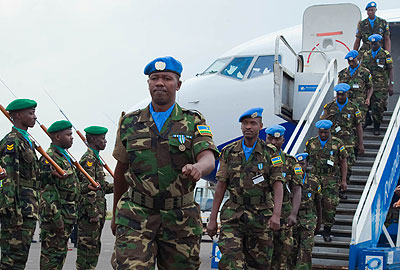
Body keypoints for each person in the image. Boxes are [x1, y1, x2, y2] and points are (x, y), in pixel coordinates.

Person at [111, 56, 219, 270]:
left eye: (167, 78)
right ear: (149, 83)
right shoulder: (129, 122)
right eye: (154, 78)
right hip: (136, 214)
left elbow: (208, 157)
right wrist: (115, 214)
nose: (160, 82)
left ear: (178, 84)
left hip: (179, 219)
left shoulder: (193, 121)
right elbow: (121, 169)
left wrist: (198, 168)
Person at [207, 108, 284, 269]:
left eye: (253, 123)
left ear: (260, 126)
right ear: (241, 127)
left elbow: (278, 184)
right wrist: (213, 218)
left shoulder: (271, 153)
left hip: (261, 216)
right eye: (245, 123)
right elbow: (221, 185)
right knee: (230, 260)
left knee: (259, 264)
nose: (248, 127)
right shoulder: (229, 152)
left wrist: (276, 215)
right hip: (233, 214)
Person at [0, 99, 40, 269]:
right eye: (30, 113)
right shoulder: (12, 141)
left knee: (20, 258)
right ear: (17, 115)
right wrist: (12, 212)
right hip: (17, 210)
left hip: (27, 208)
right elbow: (9, 179)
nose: (35, 117)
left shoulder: (26, 140)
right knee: (12, 259)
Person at [39, 120, 80, 269]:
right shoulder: (50, 158)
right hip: (56, 217)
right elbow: (47, 192)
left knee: (59, 256)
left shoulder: (64, 157)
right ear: (57, 136)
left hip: (66, 214)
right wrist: (57, 219)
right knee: (51, 259)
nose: (72, 138)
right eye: (68, 134)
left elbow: (70, 187)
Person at [76, 126, 114, 270]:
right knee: (87, 249)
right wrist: (92, 212)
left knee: (94, 247)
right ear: (92, 139)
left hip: (98, 210)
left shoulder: (96, 158)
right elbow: (88, 189)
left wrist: (120, 184)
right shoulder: (89, 160)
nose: (105, 142)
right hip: (90, 213)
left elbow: (101, 187)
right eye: (102, 138)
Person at [266, 125, 303, 270]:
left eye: (277, 139)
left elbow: (297, 190)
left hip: (283, 214)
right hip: (259, 213)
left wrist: (293, 214)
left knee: (283, 254)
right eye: (270, 139)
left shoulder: (291, 162)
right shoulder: (255, 159)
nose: (273, 142)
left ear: (283, 140)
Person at [305, 120, 348, 242]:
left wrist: (343, 180)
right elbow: (305, 161)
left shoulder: (337, 143)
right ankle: (314, 228)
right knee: (312, 204)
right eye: (321, 132)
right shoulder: (311, 143)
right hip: (314, 177)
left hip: (331, 179)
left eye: (326, 132)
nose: (323, 134)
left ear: (330, 130)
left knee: (330, 205)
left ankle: (327, 230)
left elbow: (343, 162)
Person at [321, 83, 364, 199]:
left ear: (347, 94)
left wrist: (361, 143)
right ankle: (337, 190)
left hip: (348, 143)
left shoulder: (354, 108)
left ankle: (343, 188)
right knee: (334, 166)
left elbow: (358, 126)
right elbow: (322, 125)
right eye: (338, 95)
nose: (340, 97)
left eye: (342, 95)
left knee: (348, 167)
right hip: (332, 143)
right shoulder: (329, 107)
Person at [289, 153, 322, 270]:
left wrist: (319, 222)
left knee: (306, 250)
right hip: (292, 219)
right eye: (297, 164)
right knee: (291, 250)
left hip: (308, 219)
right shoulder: (289, 179)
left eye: (302, 164)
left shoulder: (313, 180)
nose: (300, 166)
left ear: (307, 164)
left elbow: (318, 203)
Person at [360, 34, 394, 135]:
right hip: (368, 86)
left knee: (378, 107)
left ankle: (376, 127)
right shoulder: (366, 55)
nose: (374, 45)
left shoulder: (385, 54)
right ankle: (367, 120)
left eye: (375, 43)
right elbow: (362, 70)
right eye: (372, 43)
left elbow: (390, 69)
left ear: (380, 43)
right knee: (363, 104)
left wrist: (391, 84)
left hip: (381, 86)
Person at [338, 50, 373, 126]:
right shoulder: (342, 73)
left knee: (359, 124)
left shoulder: (365, 72)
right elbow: (339, 88)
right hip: (346, 104)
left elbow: (370, 87)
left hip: (359, 103)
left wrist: (368, 98)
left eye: (352, 60)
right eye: (349, 61)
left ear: (357, 59)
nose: (351, 63)